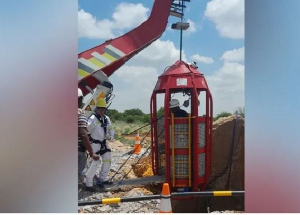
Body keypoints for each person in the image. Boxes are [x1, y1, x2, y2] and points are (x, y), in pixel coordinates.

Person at [85, 98, 114, 190]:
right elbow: (87, 130)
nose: (102, 111)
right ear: (97, 109)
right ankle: (89, 184)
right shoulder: (92, 118)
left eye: (103, 109)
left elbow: (110, 128)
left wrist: (111, 135)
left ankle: (103, 178)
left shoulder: (107, 118)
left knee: (107, 160)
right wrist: (92, 125)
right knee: (94, 163)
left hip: (103, 143)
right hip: (95, 144)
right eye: (100, 109)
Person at [78, 88, 99, 191]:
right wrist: (91, 153)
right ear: (80, 99)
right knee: (77, 179)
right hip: (77, 153)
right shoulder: (79, 114)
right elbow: (83, 135)